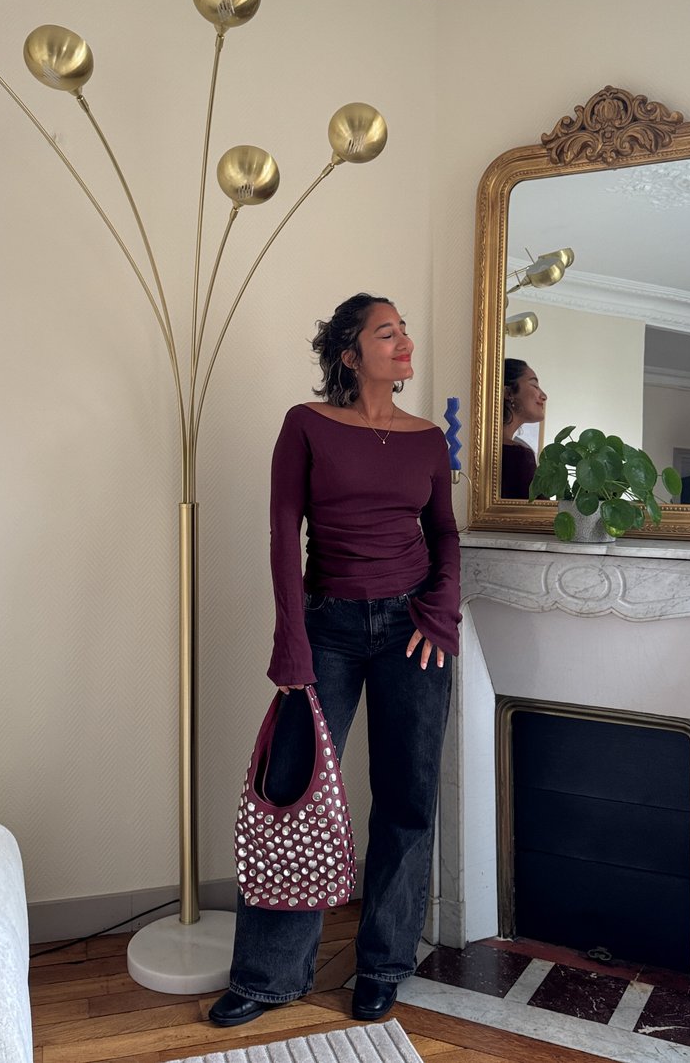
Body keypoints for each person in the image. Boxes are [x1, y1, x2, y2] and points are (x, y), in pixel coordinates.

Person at [209, 292, 461, 1027]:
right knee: (292, 791)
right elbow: (283, 532)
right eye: (388, 332)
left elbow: (444, 534)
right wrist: (290, 641)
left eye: (405, 329)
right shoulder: (308, 425)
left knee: (407, 798)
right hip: (329, 628)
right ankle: (267, 976)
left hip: (413, 629)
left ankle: (382, 965)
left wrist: (439, 614)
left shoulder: (423, 439)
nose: (405, 340)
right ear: (350, 354)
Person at [501, 358, 547, 499]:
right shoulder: (518, 455)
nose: (544, 396)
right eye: (534, 385)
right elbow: (540, 515)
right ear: (508, 393)